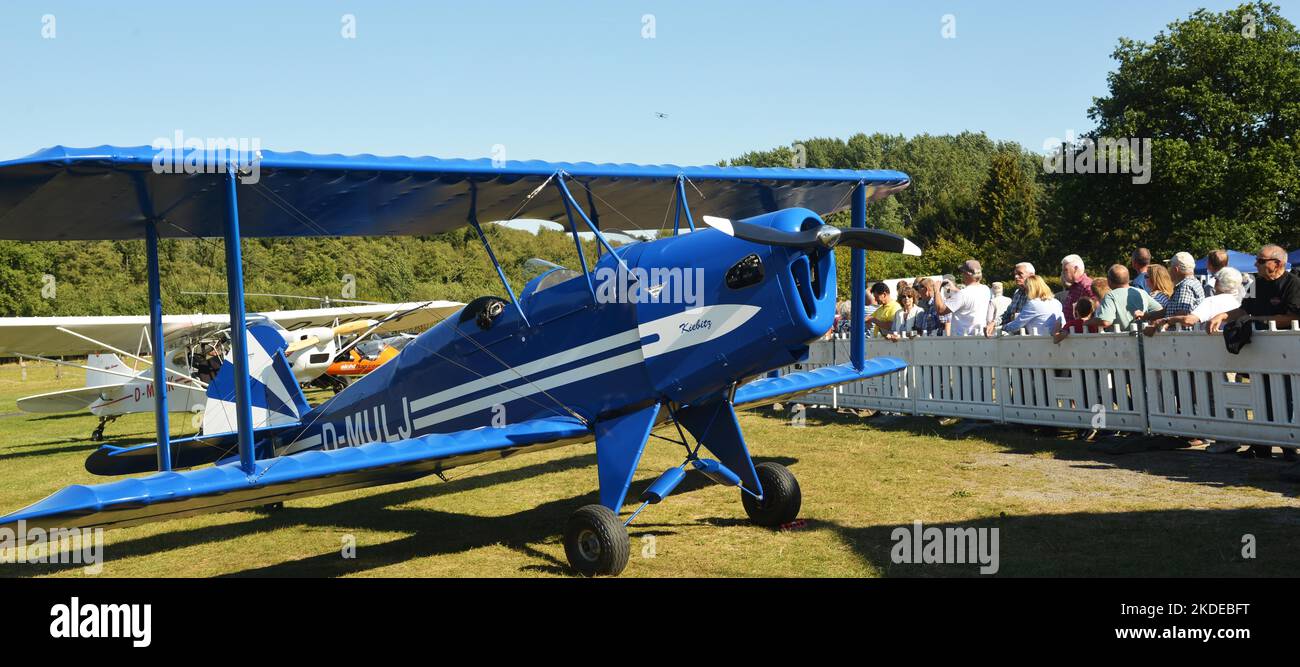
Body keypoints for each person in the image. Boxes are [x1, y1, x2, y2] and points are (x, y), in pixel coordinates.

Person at [1215, 245, 1300, 331]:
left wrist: (1255, 319)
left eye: (1261, 261)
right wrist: (1222, 316)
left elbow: (1293, 318)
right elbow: (1243, 311)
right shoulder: (1256, 283)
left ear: (1277, 264)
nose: (1256, 264)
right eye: (1256, 260)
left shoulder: (1294, 284)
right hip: (1258, 339)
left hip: (1286, 340)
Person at [1144, 267, 1244, 336]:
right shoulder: (1237, 303)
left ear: (1217, 282)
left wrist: (1165, 320)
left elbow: (1189, 320)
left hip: (1207, 352)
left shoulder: (1211, 301)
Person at [1089, 264, 1164, 330]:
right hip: (1142, 338)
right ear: (1128, 278)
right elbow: (1160, 310)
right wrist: (1147, 318)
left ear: (1109, 281)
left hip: (1117, 341)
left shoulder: (1110, 296)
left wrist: (1087, 322)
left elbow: (1105, 322)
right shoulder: (1141, 292)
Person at [932, 259, 992, 336]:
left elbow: (941, 310)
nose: (962, 275)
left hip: (962, 340)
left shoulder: (963, 294)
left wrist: (936, 291)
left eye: (963, 272)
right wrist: (955, 289)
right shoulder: (986, 289)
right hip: (980, 337)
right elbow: (969, 297)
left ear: (967, 274)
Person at [1000, 275, 1065, 335]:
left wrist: (1001, 328)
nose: (1025, 292)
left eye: (1026, 289)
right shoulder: (1056, 302)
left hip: (1039, 341)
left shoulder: (1033, 304)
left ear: (1030, 289)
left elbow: (1016, 325)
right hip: (1055, 339)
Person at [997, 262, 1035, 330]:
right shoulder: (1017, 293)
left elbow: (1028, 318)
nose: (1016, 277)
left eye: (1020, 274)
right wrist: (993, 323)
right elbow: (1007, 315)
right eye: (1015, 274)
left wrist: (1015, 317)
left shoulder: (1036, 294)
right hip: (1014, 334)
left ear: (1031, 275)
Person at [1165, 251, 1204, 317]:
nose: (1168, 270)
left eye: (1170, 266)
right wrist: (1147, 315)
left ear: (1175, 270)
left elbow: (1181, 316)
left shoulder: (1185, 287)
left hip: (1179, 327)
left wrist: (1161, 322)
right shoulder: (1194, 282)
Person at [1060, 254, 1093, 319]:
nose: (1063, 273)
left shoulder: (1087, 286)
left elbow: (1095, 311)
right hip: (1071, 328)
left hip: (1080, 328)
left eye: (1065, 270)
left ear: (1075, 269)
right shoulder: (1075, 285)